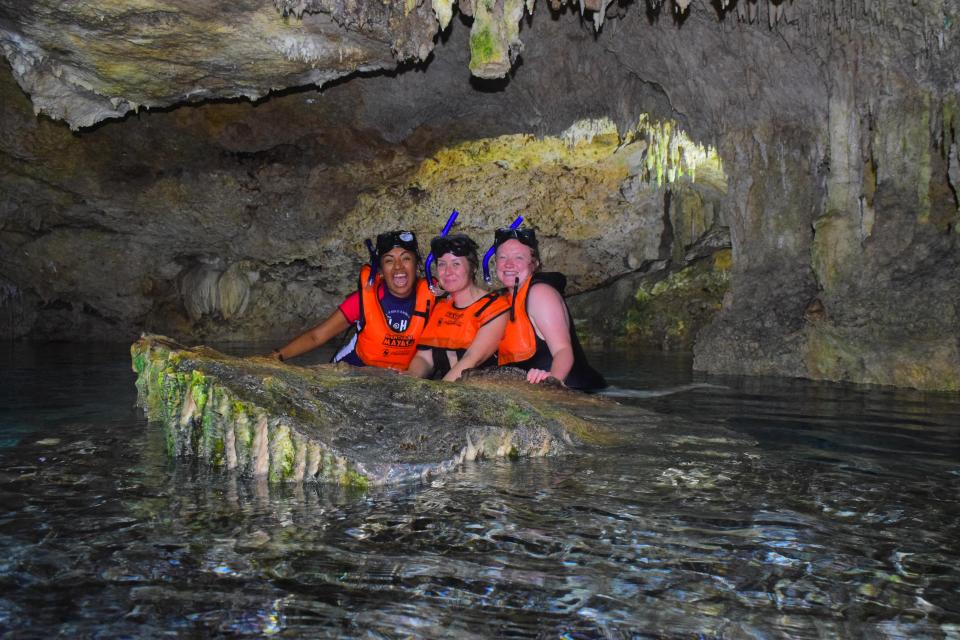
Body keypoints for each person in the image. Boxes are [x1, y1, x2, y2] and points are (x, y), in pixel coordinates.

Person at [270, 230, 434, 370]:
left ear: (417, 265)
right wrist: (278, 356)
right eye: (389, 260)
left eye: (406, 258)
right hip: (351, 372)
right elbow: (317, 336)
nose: (398, 266)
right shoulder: (364, 300)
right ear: (381, 272)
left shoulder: (431, 301)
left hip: (401, 379)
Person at [490, 226, 607, 390]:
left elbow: (563, 350)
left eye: (518, 257)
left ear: (534, 264)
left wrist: (553, 381)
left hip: (579, 391)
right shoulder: (503, 300)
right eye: (502, 257)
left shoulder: (541, 294)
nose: (509, 264)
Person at [407, 234, 510, 381]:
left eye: (456, 264)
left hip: (481, 396)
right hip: (445, 390)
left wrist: (439, 393)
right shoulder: (441, 306)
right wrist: (410, 379)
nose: (448, 272)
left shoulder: (495, 307)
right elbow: (424, 357)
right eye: (442, 264)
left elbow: (472, 359)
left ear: (473, 268)